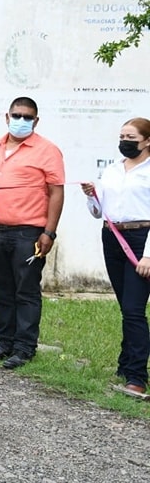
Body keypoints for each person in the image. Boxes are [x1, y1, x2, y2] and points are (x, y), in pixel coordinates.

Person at [0, 97, 65, 370]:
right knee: (1, 289)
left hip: (28, 234)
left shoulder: (47, 150)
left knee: (25, 290)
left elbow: (56, 192)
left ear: (36, 121)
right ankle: (5, 343)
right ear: (7, 116)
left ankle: (25, 348)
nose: (21, 120)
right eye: (17, 115)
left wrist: (49, 232)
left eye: (28, 117)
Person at [81, 117, 150, 396]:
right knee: (126, 306)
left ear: (147, 141)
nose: (125, 141)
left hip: (140, 238)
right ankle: (126, 363)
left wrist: (148, 255)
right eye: (122, 136)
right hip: (112, 236)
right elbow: (99, 211)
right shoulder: (111, 170)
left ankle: (136, 376)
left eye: (131, 137)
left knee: (134, 309)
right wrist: (91, 196)